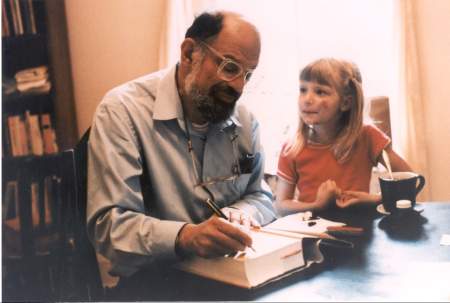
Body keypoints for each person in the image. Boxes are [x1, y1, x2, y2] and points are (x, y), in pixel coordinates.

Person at [86, 10, 276, 288]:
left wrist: (243, 213)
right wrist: (186, 236)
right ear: (189, 53)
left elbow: (261, 196)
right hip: (154, 283)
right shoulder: (122, 112)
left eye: (247, 75)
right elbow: (111, 228)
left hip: (228, 276)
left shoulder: (245, 121)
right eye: (230, 67)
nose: (238, 87)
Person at [275, 58, 412, 216]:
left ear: (346, 102)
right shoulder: (292, 148)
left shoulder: (368, 136)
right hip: (312, 234)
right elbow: (281, 206)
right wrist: (317, 206)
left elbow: (410, 182)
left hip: (361, 232)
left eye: (320, 91)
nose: (307, 99)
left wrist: (374, 200)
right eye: (303, 89)